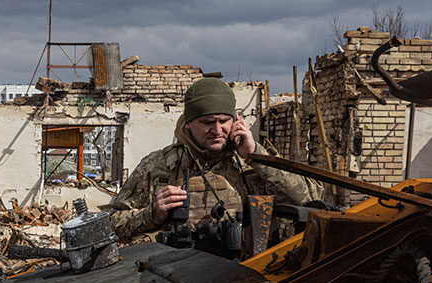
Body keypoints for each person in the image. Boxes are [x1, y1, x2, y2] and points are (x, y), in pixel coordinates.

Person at [107, 77, 321, 243]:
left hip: (244, 272)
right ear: (188, 123)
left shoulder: (252, 162)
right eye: (207, 122)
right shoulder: (159, 165)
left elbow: (311, 199)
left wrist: (256, 155)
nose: (217, 130)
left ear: (237, 120)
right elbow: (111, 224)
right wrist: (153, 213)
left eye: (224, 120)